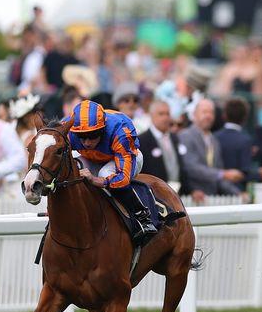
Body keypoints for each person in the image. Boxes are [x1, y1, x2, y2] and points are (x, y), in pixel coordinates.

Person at [62, 100, 156, 241]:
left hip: (126, 158)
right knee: (74, 168)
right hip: (92, 157)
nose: (87, 142)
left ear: (102, 129)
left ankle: (142, 215)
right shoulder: (67, 128)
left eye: (93, 135)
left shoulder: (121, 131)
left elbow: (122, 178)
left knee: (104, 173)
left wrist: (96, 180)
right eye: (81, 137)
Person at [177, 98, 245, 199]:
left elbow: (219, 175)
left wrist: (238, 194)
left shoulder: (214, 140)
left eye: (211, 112)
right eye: (204, 112)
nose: (208, 116)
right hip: (192, 198)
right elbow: (191, 168)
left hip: (212, 199)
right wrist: (223, 174)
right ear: (194, 115)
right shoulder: (186, 136)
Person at [138, 100, 184, 192]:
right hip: (154, 194)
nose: (165, 118)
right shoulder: (142, 141)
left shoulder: (175, 138)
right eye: (161, 114)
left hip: (177, 194)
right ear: (151, 116)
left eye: (167, 114)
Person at [214, 97, 255, 192]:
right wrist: (259, 173)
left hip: (216, 190)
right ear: (245, 117)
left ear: (224, 115)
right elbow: (245, 171)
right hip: (237, 192)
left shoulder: (214, 137)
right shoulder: (245, 140)